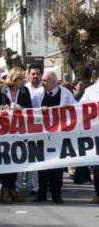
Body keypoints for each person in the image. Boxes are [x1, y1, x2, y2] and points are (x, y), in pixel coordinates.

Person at [32, 71, 76, 204]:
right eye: (42, 80)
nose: (42, 83)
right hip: (42, 135)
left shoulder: (66, 93)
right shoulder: (38, 93)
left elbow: (78, 107)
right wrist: (39, 110)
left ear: (54, 82)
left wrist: (69, 107)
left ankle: (56, 195)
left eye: (45, 81)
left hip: (59, 135)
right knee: (42, 166)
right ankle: (42, 194)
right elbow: (30, 111)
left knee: (57, 167)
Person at [0, 67, 32, 204]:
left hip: (18, 130)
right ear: (14, 79)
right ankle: (5, 190)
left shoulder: (24, 91)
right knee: (5, 162)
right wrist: (3, 108)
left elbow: (30, 109)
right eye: (21, 78)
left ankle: (12, 189)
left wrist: (22, 108)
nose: (23, 81)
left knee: (16, 160)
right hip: (3, 130)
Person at [16, 64, 42, 196]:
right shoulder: (23, 89)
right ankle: (18, 186)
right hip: (21, 128)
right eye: (33, 74)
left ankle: (33, 186)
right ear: (28, 75)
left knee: (34, 158)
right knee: (19, 156)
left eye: (37, 74)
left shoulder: (45, 89)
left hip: (39, 128)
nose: (35, 76)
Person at [80, 78, 99, 204]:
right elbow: (79, 109)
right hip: (96, 134)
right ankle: (98, 194)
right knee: (97, 167)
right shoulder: (90, 91)